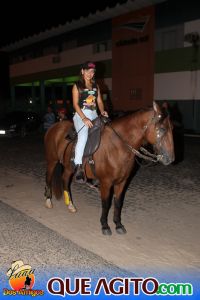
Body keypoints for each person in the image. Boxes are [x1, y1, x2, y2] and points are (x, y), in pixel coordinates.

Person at [72, 61, 108, 183]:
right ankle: (78, 166)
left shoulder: (96, 86)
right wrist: (84, 118)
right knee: (83, 136)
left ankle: (99, 164)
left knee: (106, 133)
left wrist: (102, 111)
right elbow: (75, 104)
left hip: (94, 114)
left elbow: (99, 102)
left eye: (92, 71)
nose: (90, 73)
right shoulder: (77, 86)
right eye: (87, 71)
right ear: (82, 71)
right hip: (81, 114)